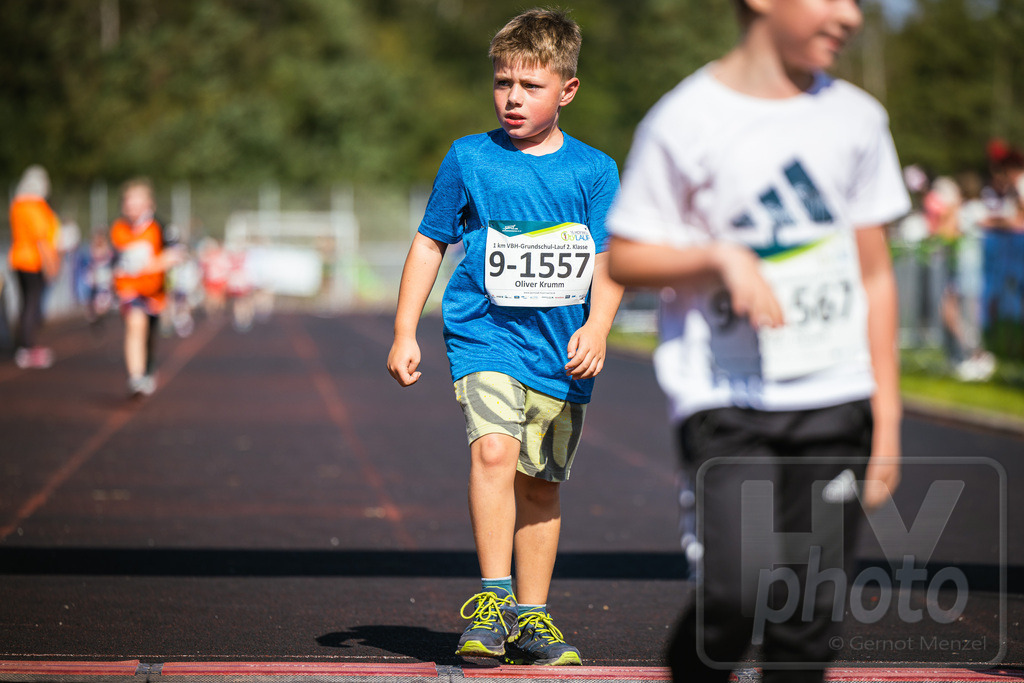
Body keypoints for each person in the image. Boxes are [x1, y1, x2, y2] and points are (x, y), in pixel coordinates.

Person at [605, 0, 909, 680]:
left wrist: (885, 419)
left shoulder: (858, 119)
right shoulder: (684, 121)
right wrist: (721, 258)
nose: (852, 16)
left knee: (807, 621)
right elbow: (623, 257)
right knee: (738, 592)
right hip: (726, 397)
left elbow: (876, 276)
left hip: (837, 397)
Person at [386, 8, 622, 666]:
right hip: (484, 333)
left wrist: (598, 326)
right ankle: (494, 600)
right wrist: (406, 328)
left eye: (530, 86)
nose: (512, 98)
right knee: (494, 453)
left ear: (567, 90)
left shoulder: (595, 171)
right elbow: (432, 239)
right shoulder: (469, 157)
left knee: (540, 484)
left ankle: (534, 617)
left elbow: (609, 260)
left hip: (562, 349)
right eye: (501, 84)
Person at [109, 178, 180, 397]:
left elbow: (176, 254)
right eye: (129, 203)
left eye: (137, 203)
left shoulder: (159, 226)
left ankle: (147, 369)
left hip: (155, 292)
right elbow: (112, 261)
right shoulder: (118, 229)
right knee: (135, 325)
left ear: (149, 204)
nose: (132, 208)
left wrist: (151, 265)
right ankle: (136, 377)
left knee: (150, 335)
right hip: (129, 291)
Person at [8, 165, 61, 369]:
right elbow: (42, 240)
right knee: (33, 303)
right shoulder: (36, 206)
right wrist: (52, 265)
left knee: (25, 303)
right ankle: (28, 348)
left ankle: (22, 346)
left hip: (17, 259)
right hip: (33, 261)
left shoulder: (16, 206)